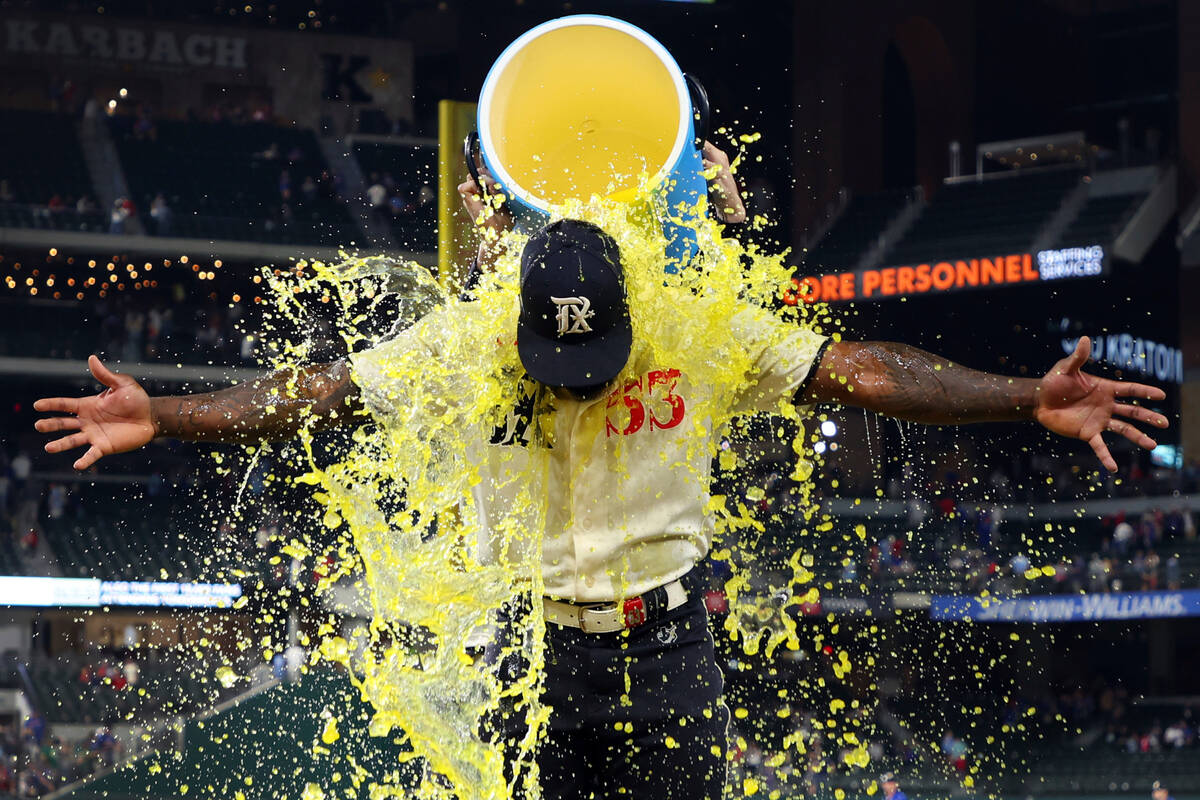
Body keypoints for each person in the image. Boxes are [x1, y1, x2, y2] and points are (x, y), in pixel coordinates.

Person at [31, 145, 1168, 800]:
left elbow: (864, 370)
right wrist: (165, 413)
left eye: (594, 358)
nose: (574, 380)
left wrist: (1026, 395)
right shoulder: (470, 337)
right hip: (530, 650)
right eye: (553, 357)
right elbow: (314, 391)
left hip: (670, 643)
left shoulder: (695, 324)